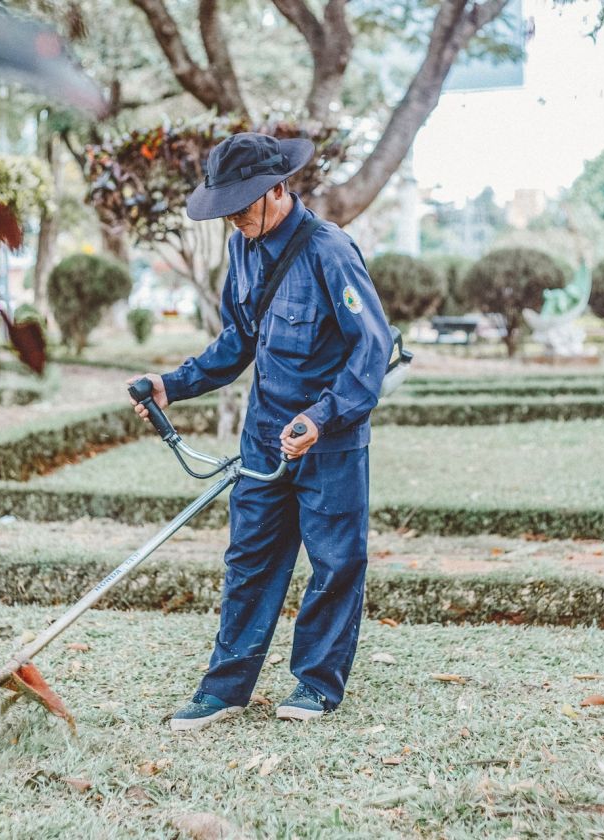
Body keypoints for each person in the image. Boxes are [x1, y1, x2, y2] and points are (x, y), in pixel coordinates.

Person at [127, 131, 394, 730]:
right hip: (264, 437)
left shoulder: (331, 251)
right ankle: (224, 689)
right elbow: (237, 341)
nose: (235, 219)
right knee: (249, 562)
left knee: (334, 563)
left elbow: (371, 349)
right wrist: (175, 383)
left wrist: (322, 418)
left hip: (330, 440)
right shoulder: (243, 250)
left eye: (242, 205)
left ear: (278, 190)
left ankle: (317, 686)